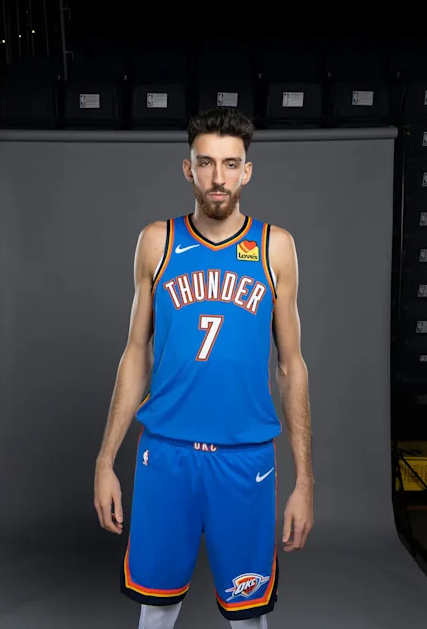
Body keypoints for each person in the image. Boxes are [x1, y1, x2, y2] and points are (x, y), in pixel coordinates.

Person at [93, 108, 314, 629]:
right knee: (157, 607)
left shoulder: (274, 246)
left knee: (247, 614)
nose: (219, 178)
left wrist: (305, 481)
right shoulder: (159, 241)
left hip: (245, 459)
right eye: (207, 163)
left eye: (231, 164)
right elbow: (135, 353)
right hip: (167, 454)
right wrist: (106, 460)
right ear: (187, 169)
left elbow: (291, 366)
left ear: (247, 171)